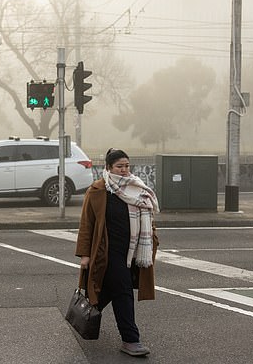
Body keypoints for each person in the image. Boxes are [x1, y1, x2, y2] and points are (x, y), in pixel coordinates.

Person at [75, 148, 159, 357]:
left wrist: (153, 237)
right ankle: (131, 340)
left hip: (132, 251)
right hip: (107, 252)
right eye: (119, 166)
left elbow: (147, 215)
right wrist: (84, 255)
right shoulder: (98, 190)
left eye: (126, 166)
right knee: (123, 291)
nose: (124, 170)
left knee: (106, 291)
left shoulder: (136, 188)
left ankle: (85, 315)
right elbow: (87, 224)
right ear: (108, 168)